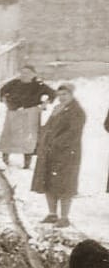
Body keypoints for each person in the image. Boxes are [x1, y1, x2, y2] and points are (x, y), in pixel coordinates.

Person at [32, 83, 86, 228]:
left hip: (67, 154)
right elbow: (48, 127)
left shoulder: (76, 111)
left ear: (72, 94)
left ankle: (64, 217)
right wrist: (42, 139)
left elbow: (73, 133)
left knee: (65, 184)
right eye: (59, 95)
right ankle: (52, 214)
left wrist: (55, 143)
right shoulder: (57, 109)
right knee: (48, 181)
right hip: (49, 152)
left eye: (65, 95)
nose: (61, 98)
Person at [0, 65, 55, 169]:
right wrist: (6, 102)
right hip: (13, 112)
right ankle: (5, 160)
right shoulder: (14, 83)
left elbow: (52, 94)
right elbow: (2, 91)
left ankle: (27, 163)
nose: (25, 75)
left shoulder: (39, 85)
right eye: (23, 72)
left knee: (28, 138)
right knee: (9, 136)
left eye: (28, 73)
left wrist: (43, 105)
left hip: (30, 113)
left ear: (34, 74)